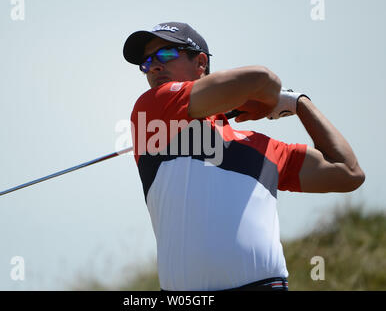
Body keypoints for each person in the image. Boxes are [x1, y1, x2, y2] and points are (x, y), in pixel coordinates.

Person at [123, 22, 365, 291]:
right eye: (146, 62)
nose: (154, 66)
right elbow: (261, 81)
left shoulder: (261, 146)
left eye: (165, 54)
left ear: (200, 62)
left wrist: (299, 103)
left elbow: (347, 172)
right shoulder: (152, 111)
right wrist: (259, 100)